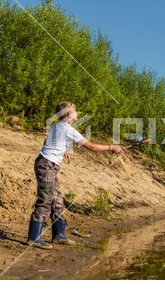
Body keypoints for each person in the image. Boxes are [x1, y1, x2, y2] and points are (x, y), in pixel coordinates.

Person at [27, 101, 124, 249]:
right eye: (75, 111)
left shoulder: (58, 126)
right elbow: (91, 147)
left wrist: (63, 149)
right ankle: (33, 238)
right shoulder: (67, 129)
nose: (77, 113)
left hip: (48, 166)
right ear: (69, 114)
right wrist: (112, 147)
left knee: (58, 201)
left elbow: (47, 141)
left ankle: (59, 235)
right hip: (46, 166)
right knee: (45, 201)